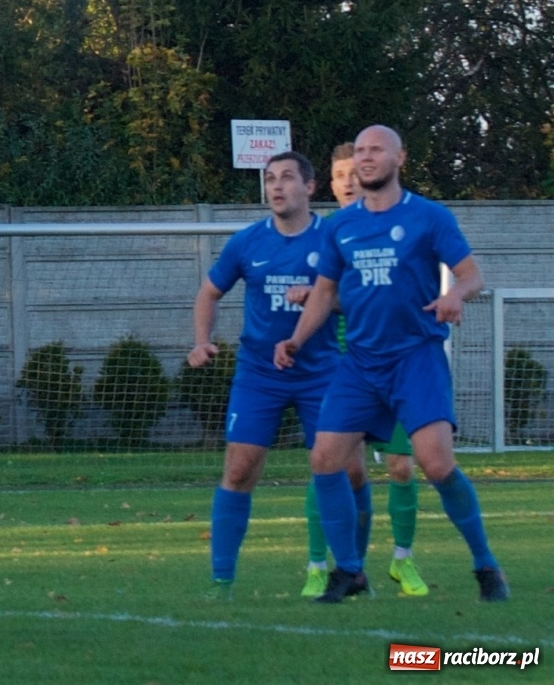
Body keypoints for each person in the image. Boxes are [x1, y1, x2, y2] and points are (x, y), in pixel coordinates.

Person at [275, 125, 508, 604]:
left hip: (415, 358)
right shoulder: (340, 226)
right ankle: (351, 571)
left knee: (436, 464)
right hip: (360, 363)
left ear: (400, 157)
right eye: (359, 150)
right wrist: (296, 340)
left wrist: (455, 296)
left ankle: (486, 565)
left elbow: (472, 275)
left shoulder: (428, 217)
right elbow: (324, 292)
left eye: (376, 149)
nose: (365, 157)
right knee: (324, 459)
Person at [188, 151, 343, 597]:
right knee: (238, 470)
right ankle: (222, 580)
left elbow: (353, 299)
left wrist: (318, 296)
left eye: (287, 178)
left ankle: (349, 571)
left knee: (342, 471)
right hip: (259, 373)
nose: (276, 187)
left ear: (311, 187)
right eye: (270, 179)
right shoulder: (247, 242)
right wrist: (202, 340)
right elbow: (209, 293)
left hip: (321, 372)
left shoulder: (332, 238)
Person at [295, 144, 428, 597]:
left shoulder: (399, 223)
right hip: (341, 368)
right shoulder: (326, 232)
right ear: (329, 184)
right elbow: (317, 290)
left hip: (398, 364)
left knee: (402, 465)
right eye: (339, 174)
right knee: (335, 468)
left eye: (354, 171)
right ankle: (324, 566)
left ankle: (402, 561)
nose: (348, 180)